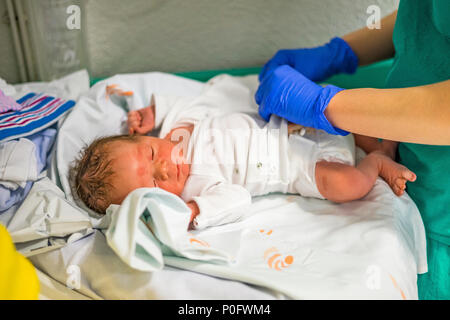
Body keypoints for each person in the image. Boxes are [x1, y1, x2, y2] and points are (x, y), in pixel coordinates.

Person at [255, 1, 449, 299]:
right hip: (406, 173)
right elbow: (428, 15)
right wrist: (341, 52)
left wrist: (323, 105)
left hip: (439, 222)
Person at [70, 75, 415, 231]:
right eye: (152, 185)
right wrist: (195, 210)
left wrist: (153, 112)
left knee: (347, 115)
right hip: (296, 166)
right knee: (349, 185)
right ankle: (376, 162)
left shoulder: (177, 127)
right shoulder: (197, 188)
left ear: (145, 138)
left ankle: (381, 141)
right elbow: (237, 200)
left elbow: (191, 102)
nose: (162, 169)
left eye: (149, 155)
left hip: (289, 124)